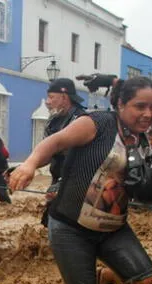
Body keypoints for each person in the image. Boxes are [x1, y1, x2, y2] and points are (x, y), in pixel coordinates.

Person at [9, 77, 152, 284]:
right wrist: (29, 165)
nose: (148, 114)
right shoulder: (97, 123)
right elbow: (55, 142)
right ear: (121, 104)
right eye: (140, 106)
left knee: (145, 280)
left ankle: (104, 278)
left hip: (113, 229)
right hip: (71, 228)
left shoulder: (142, 140)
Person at [40, 78, 88, 226]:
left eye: (51, 97)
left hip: (78, 183)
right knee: (49, 223)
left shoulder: (82, 120)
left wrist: (63, 184)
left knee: (71, 226)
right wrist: (26, 167)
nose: (48, 102)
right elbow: (47, 152)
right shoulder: (53, 121)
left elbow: (82, 159)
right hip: (57, 178)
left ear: (64, 97)